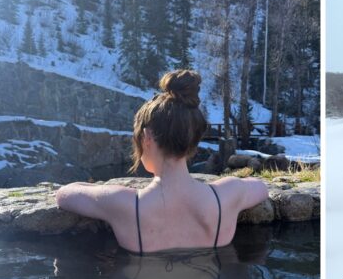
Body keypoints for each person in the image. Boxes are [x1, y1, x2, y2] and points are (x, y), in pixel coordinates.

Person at [56, 70, 269, 253]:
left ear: (147, 138)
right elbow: (261, 188)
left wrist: (109, 189)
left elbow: (65, 194)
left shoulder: (124, 204)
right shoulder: (226, 195)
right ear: (193, 138)